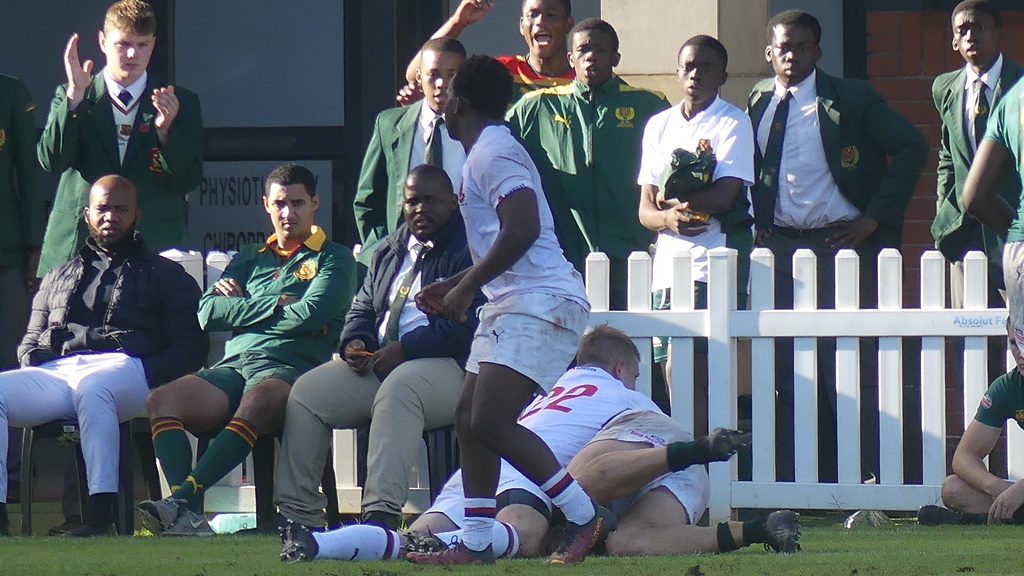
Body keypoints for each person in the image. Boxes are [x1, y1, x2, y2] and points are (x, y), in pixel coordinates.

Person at [278, 328, 798, 561]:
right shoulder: (622, 391)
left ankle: (320, 544)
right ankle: (755, 524)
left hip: (506, 453)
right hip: (539, 459)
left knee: (420, 534)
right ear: (623, 369)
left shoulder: (541, 392)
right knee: (614, 539)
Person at [410, 55, 597, 565]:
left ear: (459, 104)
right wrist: (455, 281)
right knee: (468, 419)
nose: (441, 103)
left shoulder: (493, 151)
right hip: (516, 301)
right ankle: (475, 543)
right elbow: (507, 239)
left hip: (542, 303)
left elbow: (523, 229)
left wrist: (466, 287)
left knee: (490, 420)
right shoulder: (484, 152)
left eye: (447, 94)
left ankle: (583, 515)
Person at [747, 10, 928, 482]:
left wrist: (873, 219)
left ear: (817, 51)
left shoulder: (851, 96)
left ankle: (871, 474)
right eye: (783, 47)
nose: (791, 55)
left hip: (838, 245)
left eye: (801, 46)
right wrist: (759, 220)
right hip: (781, 249)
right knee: (788, 368)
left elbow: (912, 146)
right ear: (769, 53)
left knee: (850, 364)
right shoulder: (758, 100)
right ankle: (804, 478)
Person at [137, 164, 356, 536]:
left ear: (315, 203)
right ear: (266, 206)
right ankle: (188, 514)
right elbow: (207, 312)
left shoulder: (334, 258)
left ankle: (181, 504)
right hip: (235, 366)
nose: (288, 213)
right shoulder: (249, 256)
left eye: (298, 203)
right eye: (280, 203)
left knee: (257, 401)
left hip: (291, 370)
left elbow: (312, 313)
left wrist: (245, 307)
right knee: (162, 400)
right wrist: (276, 304)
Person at [274, 164, 483, 531]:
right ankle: (299, 517)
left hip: (449, 367)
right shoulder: (389, 249)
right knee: (307, 393)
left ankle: (379, 518)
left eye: (430, 200)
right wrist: (357, 340)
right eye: (412, 201)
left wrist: (406, 349)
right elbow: (363, 307)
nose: (420, 209)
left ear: (454, 202)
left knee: (400, 388)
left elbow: (466, 327)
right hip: (380, 362)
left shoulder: (470, 251)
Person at [0, 174, 207, 536]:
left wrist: (150, 373)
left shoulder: (165, 274)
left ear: (136, 215)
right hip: (59, 372)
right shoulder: (57, 276)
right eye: (102, 209)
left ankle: (100, 515)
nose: (110, 216)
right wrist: (38, 361)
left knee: (94, 389)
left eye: (120, 209)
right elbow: (28, 344)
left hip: (127, 369)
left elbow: (191, 346)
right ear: (86, 214)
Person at [637, 35, 755, 437]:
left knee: (699, 366)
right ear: (677, 71)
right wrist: (667, 221)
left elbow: (725, 196)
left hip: (711, 261)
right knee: (671, 367)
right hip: (668, 268)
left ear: (723, 74)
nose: (695, 73)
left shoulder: (732, 122)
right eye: (688, 65)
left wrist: (673, 203)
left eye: (706, 66)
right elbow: (645, 209)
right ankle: (685, 456)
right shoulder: (659, 125)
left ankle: (702, 464)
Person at [507, 18, 667, 308]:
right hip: (562, 257)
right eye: (583, 50)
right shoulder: (537, 106)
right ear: (570, 58)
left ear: (615, 57)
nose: (591, 55)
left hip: (632, 255)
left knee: (628, 342)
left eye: (600, 49)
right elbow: (495, 149)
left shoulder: (650, 105)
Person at [36, 0, 204, 277]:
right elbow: (51, 161)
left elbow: (189, 180)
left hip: (152, 249)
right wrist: (74, 102)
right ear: (102, 41)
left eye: (142, 45)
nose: (131, 53)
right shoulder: (75, 93)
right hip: (79, 250)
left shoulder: (180, 101)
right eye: (122, 43)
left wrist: (166, 133)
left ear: (153, 44)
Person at [932, 0, 1022, 404]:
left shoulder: (1019, 85)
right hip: (965, 235)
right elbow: (948, 156)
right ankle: (981, 440)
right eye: (963, 30)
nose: (971, 36)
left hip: (1011, 228)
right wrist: (943, 212)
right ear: (954, 40)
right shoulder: (945, 88)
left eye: (980, 28)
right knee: (973, 342)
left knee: (1017, 338)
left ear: (1000, 34)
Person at [353, 38, 467, 264]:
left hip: (464, 257)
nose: (442, 83)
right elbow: (367, 199)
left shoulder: (482, 128)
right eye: (433, 74)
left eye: (452, 75)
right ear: (419, 77)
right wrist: (380, 253)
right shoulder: (389, 125)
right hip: (403, 258)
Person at [918, 321, 1024, 526]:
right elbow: (963, 458)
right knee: (953, 488)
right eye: (1014, 343)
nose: (1020, 352)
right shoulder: (1008, 387)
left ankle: (978, 519)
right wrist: (996, 487)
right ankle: (1011, 514)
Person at [0, 72, 46, 514]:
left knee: (8, 366)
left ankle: (9, 476)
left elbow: (29, 172)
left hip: (6, 251)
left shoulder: (10, 91)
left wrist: (36, 243)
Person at [399, 0, 575, 105]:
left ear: (569, 24)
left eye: (551, 15)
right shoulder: (500, 71)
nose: (540, 22)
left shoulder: (583, 78)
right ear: (522, 25)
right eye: (533, 15)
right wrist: (458, 22)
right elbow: (414, 74)